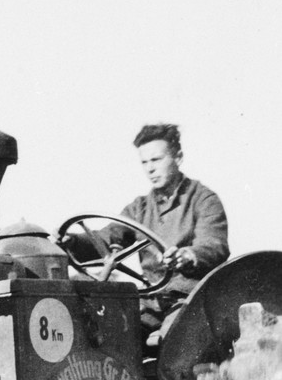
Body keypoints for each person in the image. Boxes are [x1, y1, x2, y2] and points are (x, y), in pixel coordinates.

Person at [66, 123, 229, 340]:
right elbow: (105, 240)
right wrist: (72, 242)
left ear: (178, 157)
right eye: (144, 162)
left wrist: (187, 256)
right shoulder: (139, 208)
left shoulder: (204, 200)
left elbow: (214, 245)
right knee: (109, 336)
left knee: (171, 338)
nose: (150, 168)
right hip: (152, 303)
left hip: (191, 300)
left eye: (156, 159)